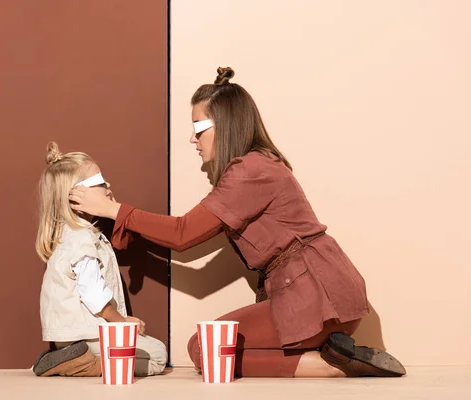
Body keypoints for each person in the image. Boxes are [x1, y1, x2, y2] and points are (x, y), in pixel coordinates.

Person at [68, 68, 406, 378]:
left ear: (225, 125)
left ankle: (331, 366)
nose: (192, 139)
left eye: (198, 128)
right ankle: (334, 354)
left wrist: (113, 210)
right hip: (322, 294)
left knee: (204, 349)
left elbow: (183, 233)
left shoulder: (249, 172)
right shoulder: (259, 167)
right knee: (210, 347)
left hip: (315, 297)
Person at [31, 142, 167, 377]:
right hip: (87, 334)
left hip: (75, 335)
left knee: (146, 347)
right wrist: (121, 323)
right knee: (157, 355)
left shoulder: (68, 235)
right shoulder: (82, 239)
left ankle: (70, 356)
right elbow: (94, 296)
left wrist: (123, 320)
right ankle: (81, 363)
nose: (109, 186)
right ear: (75, 196)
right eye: (101, 182)